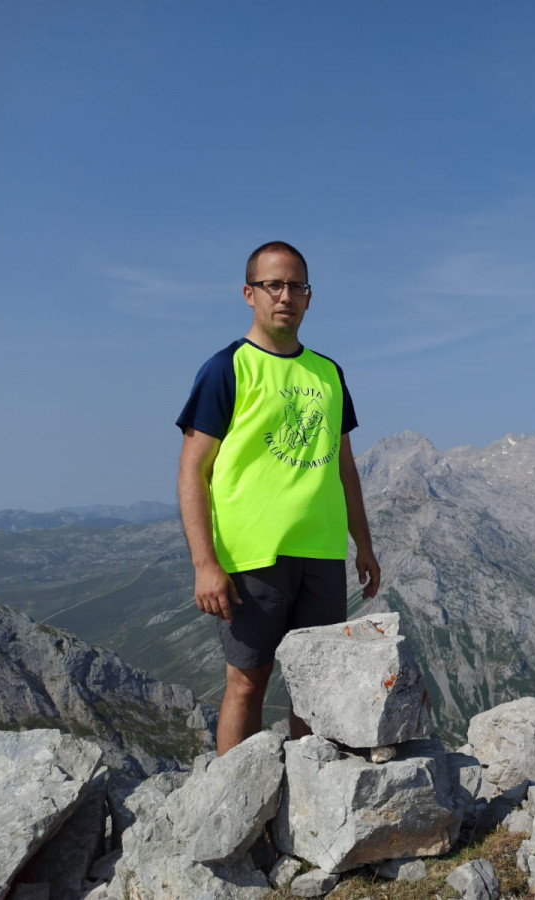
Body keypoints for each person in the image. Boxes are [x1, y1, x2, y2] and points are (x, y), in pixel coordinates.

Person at [176, 240, 381, 754]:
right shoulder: (227, 369)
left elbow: (344, 465)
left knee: (312, 688)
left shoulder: (329, 373)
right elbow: (191, 471)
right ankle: (234, 813)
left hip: (322, 554)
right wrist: (205, 563)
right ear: (250, 294)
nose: (285, 296)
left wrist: (365, 545)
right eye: (273, 285)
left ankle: (303, 805)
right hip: (252, 558)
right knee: (247, 682)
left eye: (296, 286)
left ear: (309, 298)